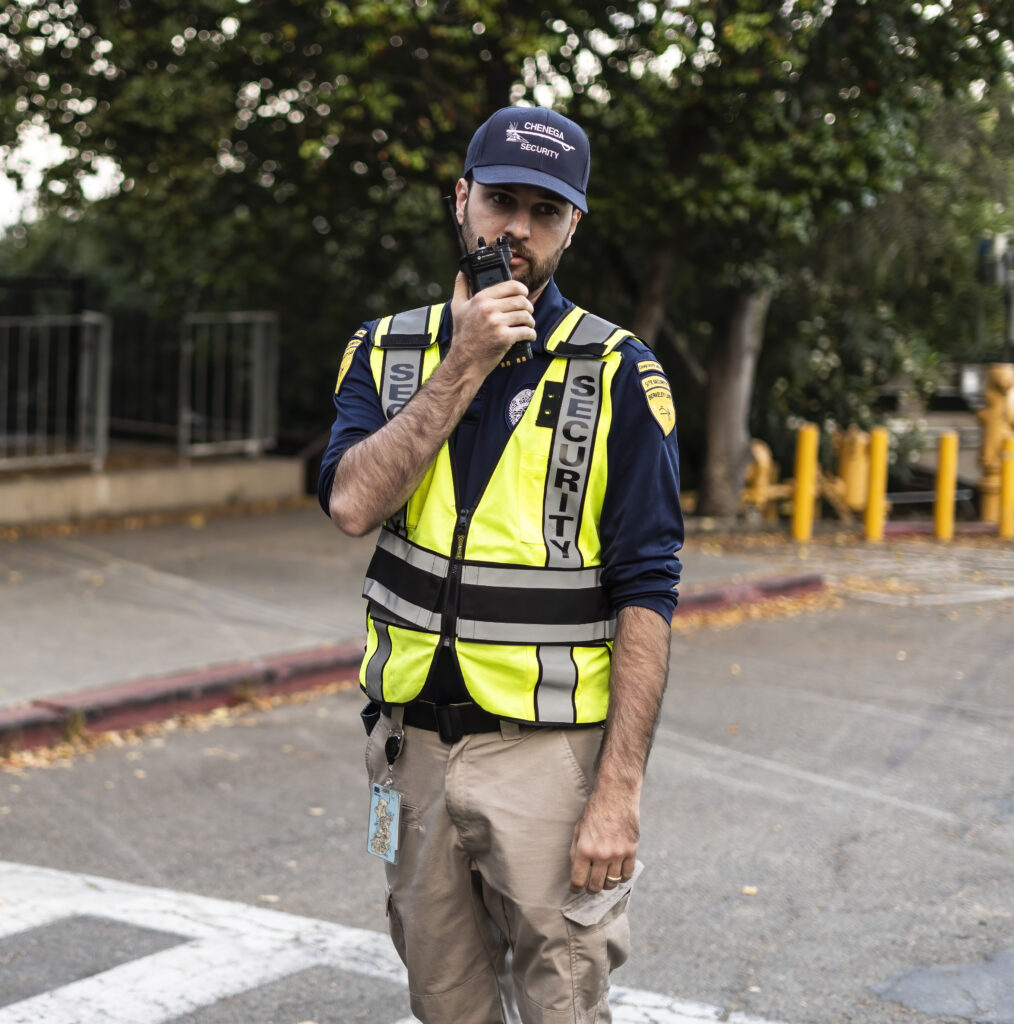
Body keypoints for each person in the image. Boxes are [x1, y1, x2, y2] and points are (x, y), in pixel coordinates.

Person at [319, 105, 683, 1024]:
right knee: (444, 1003)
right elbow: (353, 503)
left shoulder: (618, 372)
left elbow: (649, 589)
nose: (515, 229)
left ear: (573, 226)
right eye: (499, 201)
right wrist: (466, 360)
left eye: (544, 211)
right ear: (461, 200)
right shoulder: (389, 350)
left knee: (563, 1003)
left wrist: (619, 793)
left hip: (550, 759)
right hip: (413, 749)